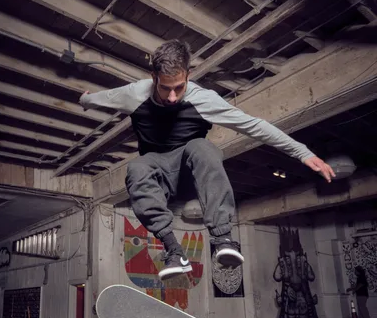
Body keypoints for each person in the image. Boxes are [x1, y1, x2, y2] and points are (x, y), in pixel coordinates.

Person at [80, 39, 335, 280]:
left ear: (188, 76)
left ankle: (223, 239)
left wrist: (303, 152)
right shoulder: (135, 93)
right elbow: (103, 98)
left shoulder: (203, 99)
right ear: (153, 77)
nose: (172, 97)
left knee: (202, 146)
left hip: (192, 171)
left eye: (179, 88)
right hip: (159, 173)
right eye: (165, 88)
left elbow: (253, 125)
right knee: (136, 166)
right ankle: (174, 252)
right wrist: (85, 100)